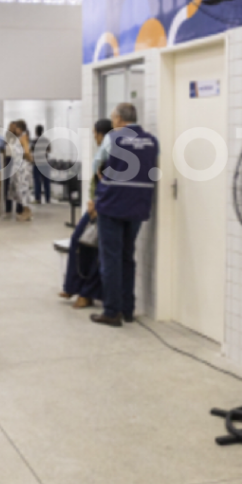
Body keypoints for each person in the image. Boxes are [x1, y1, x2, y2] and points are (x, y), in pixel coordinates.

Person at [92, 103, 159, 328]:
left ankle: (112, 311)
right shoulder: (152, 141)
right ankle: (128, 309)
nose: (112, 123)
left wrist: (100, 180)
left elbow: (96, 164)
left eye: (113, 118)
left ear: (120, 120)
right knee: (127, 257)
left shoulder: (113, 138)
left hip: (112, 205)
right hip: (138, 207)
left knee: (110, 259)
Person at [60, 119, 113, 309]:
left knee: (95, 249)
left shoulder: (112, 151)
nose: (94, 138)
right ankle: (72, 286)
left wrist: (98, 203)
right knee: (78, 240)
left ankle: (87, 293)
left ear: (100, 134)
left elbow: (108, 182)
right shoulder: (103, 151)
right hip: (95, 204)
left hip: (104, 206)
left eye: (95, 134)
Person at [5, 120, 33, 222]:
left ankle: (27, 212)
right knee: (19, 190)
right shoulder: (19, 138)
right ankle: (25, 212)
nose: (14, 129)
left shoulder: (24, 137)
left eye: (16, 128)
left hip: (23, 167)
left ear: (19, 129)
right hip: (18, 167)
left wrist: (30, 160)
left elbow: (27, 152)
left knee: (24, 190)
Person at [32, 124, 52, 205]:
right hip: (45, 164)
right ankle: (48, 199)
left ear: (36, 132)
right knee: (46, 182)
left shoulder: (34, 141)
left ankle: (38, 199)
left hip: (37, 164)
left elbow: (31, 150)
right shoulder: (46, 140)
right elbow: (49, 150)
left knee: (37, 182)